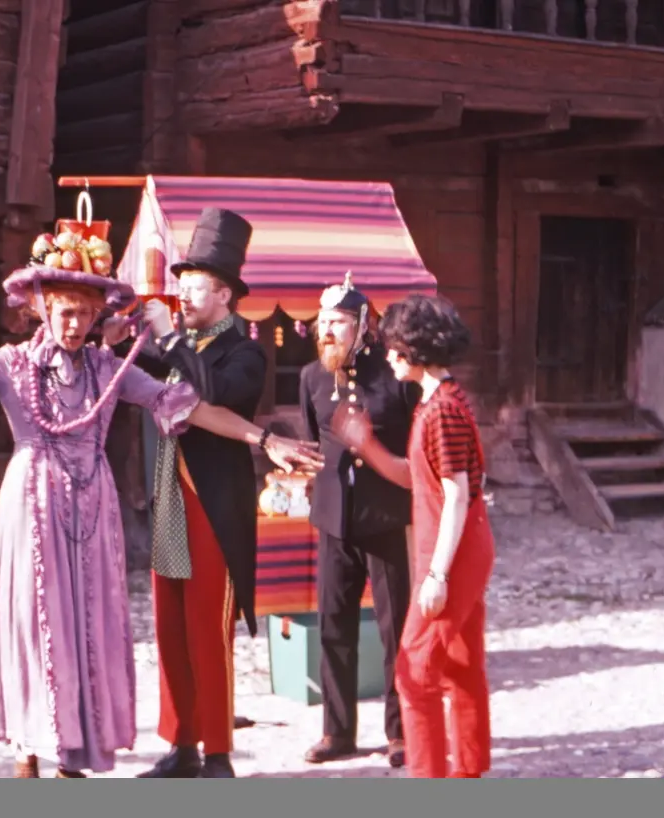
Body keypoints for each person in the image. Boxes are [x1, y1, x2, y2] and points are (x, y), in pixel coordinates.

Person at [0, 239, 321, 780]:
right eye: (65, 312)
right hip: (32, 505)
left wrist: (264, 438)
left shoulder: (109, 369)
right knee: (35, 620)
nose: (75, 324)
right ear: (42, 308)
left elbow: (188, 407)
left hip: (93, 510)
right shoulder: (11, 364)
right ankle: (28, 748)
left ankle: (75, 753)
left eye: (84, 313)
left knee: (87, 623)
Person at [131, 207, 276, 779]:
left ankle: (218, 752)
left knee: (208, 632)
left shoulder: (245, 351)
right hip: (169, 497)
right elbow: (127, 368)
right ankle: (181, 745)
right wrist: (119, 335)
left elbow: (212, 390)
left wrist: (168, 337)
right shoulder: (176, 346)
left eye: (194, 287)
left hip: (213, 508)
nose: (183, 296)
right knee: (170, 628)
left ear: (224, 296)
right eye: (182, 285)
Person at [332, 293, 494, 779]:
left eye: (395, 347)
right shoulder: (442, 399)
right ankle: (469, 773)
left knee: (414, 673)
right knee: (461, 662)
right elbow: (423, 479)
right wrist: (366, 445)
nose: (388, 355)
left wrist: (438, 574)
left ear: (417, 350)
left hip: (453, 551)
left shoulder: (441, 410)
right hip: (459, 544)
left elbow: (456, 495)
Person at [299, 273, 418, 769]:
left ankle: (401, 732)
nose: (327, 330)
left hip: (384, 516)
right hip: (333, 518)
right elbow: (314, 441)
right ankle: (337, 731)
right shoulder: (311, 376)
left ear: (363, 326)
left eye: (339, 321)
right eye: (323, 321)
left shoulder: (394, 375)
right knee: (333, 625)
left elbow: (414, 444)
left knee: (395, 629)